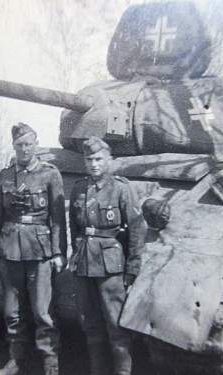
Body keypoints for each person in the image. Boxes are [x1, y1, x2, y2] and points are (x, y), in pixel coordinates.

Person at [0, 122, 67, 375]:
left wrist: (57, 252)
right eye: (20, 145)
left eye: (29, 144)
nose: (24, 149)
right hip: (9, 249)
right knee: (12, 311)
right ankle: (16, 358)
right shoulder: (5, 176)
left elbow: (57, 218)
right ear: (14, 146)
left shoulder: (50, 174)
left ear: (36, 145)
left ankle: (50, 362)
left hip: (40, 250)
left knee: (43, 311)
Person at [69, 136, 147, 375]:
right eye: (89, 159)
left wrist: (132, 266)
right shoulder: (79, 188)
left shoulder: (121, 189)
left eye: (99, 159)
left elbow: (136, 228)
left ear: (109, 160)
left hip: (110, 265)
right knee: (90, 323)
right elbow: (75, 227)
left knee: (116, 325)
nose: (94, 164)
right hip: (83, 263)